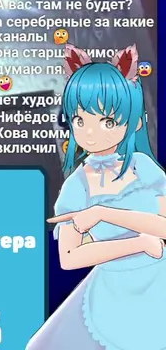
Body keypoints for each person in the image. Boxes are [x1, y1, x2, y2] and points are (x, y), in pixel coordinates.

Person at [26, 44, 164, 349]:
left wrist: (104, 212)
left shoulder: (143, 168)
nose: (90, 133)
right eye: (80, 120)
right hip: (113, 294)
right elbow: (69, 257)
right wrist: (138, 243)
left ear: (132, 121)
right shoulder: (76, 186)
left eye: (107, 121)